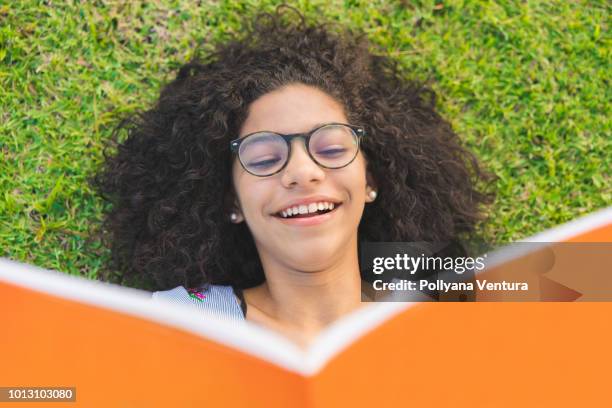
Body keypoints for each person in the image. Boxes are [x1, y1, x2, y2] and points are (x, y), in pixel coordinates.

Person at [91, 5, 493, 348]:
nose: (302, 172)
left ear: (371, 179)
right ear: (232, 201)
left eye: (332, 148)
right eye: (265, 158)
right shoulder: (176, 323)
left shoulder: (450, 316)